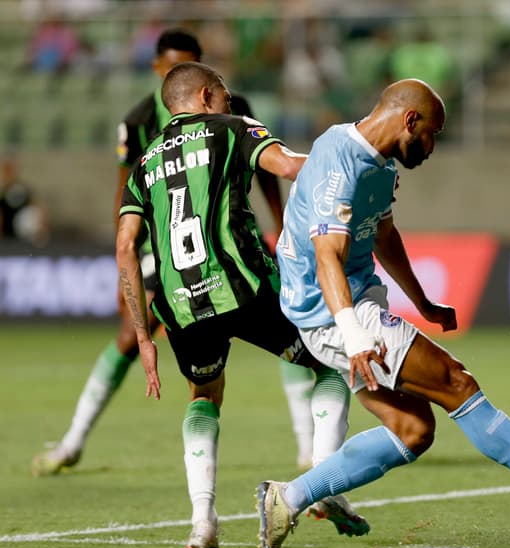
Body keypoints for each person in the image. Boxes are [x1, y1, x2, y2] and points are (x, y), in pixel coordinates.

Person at [253, 78, 510, 548]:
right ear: (410, 121)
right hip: (332, 314)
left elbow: (384, 235)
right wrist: (352, 336)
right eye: (433, 133)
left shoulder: (382, 166)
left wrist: (422, 300)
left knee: (414, 431)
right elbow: (327, 255)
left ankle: (285, 499)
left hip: (350, 307)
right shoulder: (338, 158)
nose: (432, 146)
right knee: (456, 381)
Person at [31, 28, 325, 478]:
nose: (175, 72)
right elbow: (123, 195)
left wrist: (279, 221)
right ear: (157, 68)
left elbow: (265, 171)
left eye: (185, 63)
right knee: (135, 336)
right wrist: (123, 271)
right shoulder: (138, 120)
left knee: (275, 323)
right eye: (170, 65)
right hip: (158, 244)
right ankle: (73, 439)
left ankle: (305, 445)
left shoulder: (234, 111)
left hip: (219, 236)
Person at [117, 61, 367, 548]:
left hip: (180, 305)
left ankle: (201, 523)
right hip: (246, 286)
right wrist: (357, 152)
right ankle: (322, 486)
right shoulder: (231, 128)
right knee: (332, 366)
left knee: (204, 396)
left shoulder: (145, 162)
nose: (231, 103)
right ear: (207, 95)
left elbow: (125, 244)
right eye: (227, 96)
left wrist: (144, 337)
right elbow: (294, 167)